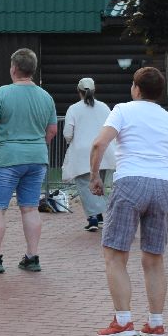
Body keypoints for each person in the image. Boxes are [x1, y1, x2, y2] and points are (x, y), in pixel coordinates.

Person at [88, 67, 168, 336]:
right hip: (163, 186)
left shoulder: (123, 110)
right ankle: (156, 324)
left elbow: (99, 144)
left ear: (136, 88)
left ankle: (123, 321)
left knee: (115, 254)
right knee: (154, 258)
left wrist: (95, 175)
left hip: (130, 181)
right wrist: (166, 182)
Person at [0, 48, 58, 274]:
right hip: (36, 158)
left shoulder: (2, 93)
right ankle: (32, 256)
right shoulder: (46, 96)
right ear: (32, 69)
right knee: (30, 208)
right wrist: (38, 146)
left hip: (7, 158)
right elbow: (52, 130)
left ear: (13, 68)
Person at [62, 77, 112, 232]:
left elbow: (68, 134)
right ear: (94, 91)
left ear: (79, 91)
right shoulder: (104, 107)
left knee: (85, 186)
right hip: (104, 151)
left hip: (83, 153)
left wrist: (71, 139)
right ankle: (101, 216)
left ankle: (93, 218)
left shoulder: (74, 109)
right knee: (100, 183)